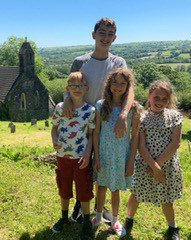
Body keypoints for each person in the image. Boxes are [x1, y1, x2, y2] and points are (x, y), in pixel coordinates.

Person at [65, 17, 134, 223]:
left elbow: (130, 91)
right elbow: (70, 86)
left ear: (115, 38)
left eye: (109, 34)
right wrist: (67, 101)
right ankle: (82, 204)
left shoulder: (118, 62)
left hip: (107, 122)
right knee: (83, 166)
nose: (105, 37)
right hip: (84, 123)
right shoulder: (80, 61)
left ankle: (99, 208)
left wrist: (123, 115)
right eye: (101, 33)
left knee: (101, 166)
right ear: (93, 35)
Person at [124, 80, 183, 240]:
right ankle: (128, 220)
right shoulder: (141, 118)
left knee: (167, 199)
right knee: (136, 195)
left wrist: (158, 167)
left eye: (165, 99)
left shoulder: (175, 117)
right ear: (149, 95)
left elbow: (175, 143)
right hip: (144, 164)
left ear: (169, 100)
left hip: (167, 165)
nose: (160, 102)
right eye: (156, 97)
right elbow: (141, 146)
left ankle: (173, 228)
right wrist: (153, 166)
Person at [91, 68, 140, 237]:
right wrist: (96, 156)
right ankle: (98, 216)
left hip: (121, 155)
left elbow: (135, 137)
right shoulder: (100, 105)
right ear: (109, 84)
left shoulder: (133, 108)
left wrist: (131, 161)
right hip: (103, 154)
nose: (118, 87)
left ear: (128, 86)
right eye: (115, 82)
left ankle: (115, 220)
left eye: (122, 83)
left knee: (115, 190)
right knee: (102, 186)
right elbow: (96, 132)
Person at [51, 72, 95, 240]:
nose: (77, 89)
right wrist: (55, 140)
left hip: (81, 158)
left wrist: (87, 153)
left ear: (86, 88)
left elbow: (90, 135)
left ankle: (85, 223)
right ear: (67, 88)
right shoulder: (60, 107)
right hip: (63, 156)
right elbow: (54, 129)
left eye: (80, 85)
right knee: (64, 187)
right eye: (73, 85)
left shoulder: (90, 111)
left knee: (83, 189)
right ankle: (63, 218)